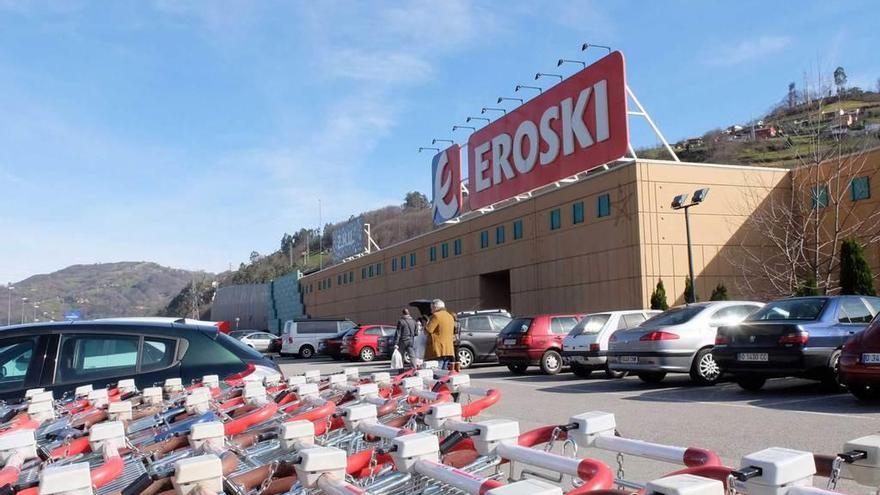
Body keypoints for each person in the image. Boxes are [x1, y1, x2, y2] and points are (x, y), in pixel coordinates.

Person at [424, 299, 456, 370]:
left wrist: (426, 325)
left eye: (431, 308)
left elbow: (428, 330)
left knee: (436, 372)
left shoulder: (435, 316)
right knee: (444, 372)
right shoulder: (450, 316)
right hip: (448, 349)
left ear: (435, 307)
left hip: (438, 349)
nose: (431, 310)